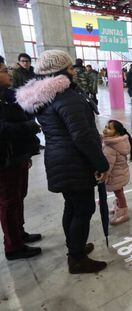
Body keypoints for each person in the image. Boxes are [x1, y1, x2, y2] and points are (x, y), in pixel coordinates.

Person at [16, 50, 109, 274]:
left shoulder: (46, 97)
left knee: (73, 205)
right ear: (59, 72)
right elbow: (81, 136)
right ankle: (76, 259)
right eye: (69, 68)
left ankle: (74, 248)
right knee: (83, 209)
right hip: (74, 161)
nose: (74, 72)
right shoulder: (66, 97)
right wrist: (101, 164)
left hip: (59, 158)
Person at [0, 55, 42, 260]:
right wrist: (29, 126)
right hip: (6, 159)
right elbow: (3, 129)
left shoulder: (7, 94)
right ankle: (13, 246)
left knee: (18, 196)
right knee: (9, 201)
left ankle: (19, 232)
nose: (8, 73)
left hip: (18, 154)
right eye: (3, 70)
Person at [102, 120, 132, 225]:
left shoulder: (110, 147)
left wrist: (105, 177)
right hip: (121, 173)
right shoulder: (119, 142)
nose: (105, 129)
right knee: (119, 191)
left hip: (115, 175)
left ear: (116, 133)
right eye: (105, 126)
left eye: (109, 128)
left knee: (119, 193)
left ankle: (123, 212)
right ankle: (119, 205)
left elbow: (108, 165)